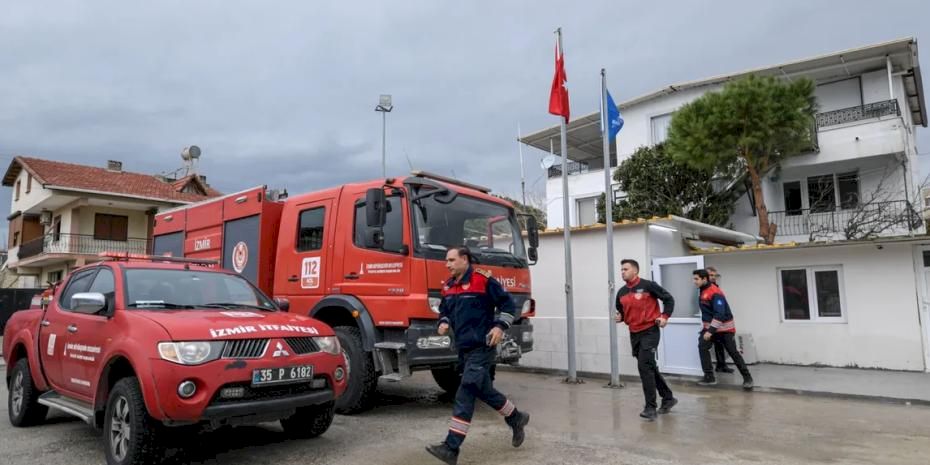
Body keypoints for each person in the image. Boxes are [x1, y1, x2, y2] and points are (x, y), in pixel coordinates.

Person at [426, 246, 530, 465]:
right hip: (463, 350)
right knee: (483, 390)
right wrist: (443, 321)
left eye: (452, 260)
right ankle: (516, 417)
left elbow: (508, 305)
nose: (447, 264)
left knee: (465, 392)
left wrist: (500, 327)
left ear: (465, 260)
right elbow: (444, 310)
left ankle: (451, 447)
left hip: (482, 348)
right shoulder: (448, 285)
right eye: (447, 261)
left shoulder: (483, 280)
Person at [615, 259, 677, 421]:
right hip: (634, 333)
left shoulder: (648, 285)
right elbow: (621, 312)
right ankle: (668, 397)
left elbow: (669, 299)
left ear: (635, 271)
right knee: (649, 366)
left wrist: (664, 316)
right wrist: (620, 317)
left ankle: (650, 407)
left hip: (650, 331)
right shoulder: (621, 292)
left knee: (644, 367)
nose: (622, 272)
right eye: (621, 269)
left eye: (625, 269)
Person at [692, 269, 754, 390]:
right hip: (711, 328)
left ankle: (748, 378)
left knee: (733, 352)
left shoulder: (715, 292)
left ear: (704, 279)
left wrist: (710, 331)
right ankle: (709, 377)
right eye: (694, 279)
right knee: (702, 346)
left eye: (696, 279)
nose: (694, 281)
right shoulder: (702, 290)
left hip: (725, 329)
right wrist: (707, 329)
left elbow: (719, 314)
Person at [706, 266, 734, 374]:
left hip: (717, 322)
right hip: (710, 322)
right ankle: (708, 371)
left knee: (719, 344)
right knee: (706, 346)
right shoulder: (704, 289)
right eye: (711, 275)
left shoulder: (715, 287)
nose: (713, 277)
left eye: (715, 275)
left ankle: (721, 365)